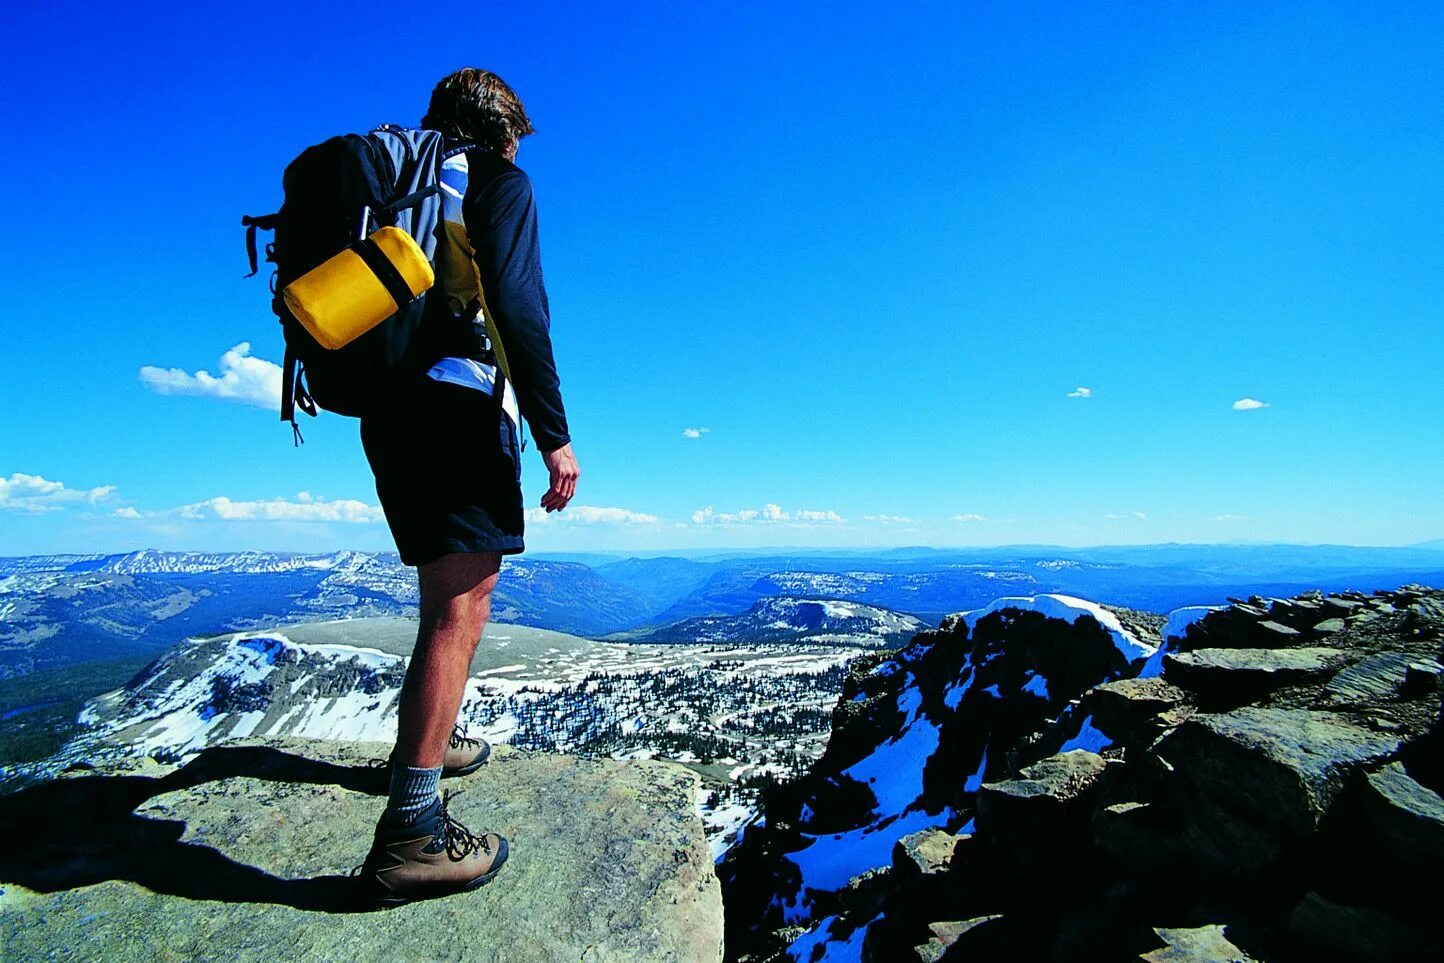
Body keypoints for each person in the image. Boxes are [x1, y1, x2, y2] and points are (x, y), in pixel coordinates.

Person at [355, 67, 580, 905]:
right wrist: (555, 436)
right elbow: (520, 306)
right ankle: (411, 832)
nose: (521, 146)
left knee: (440, 594)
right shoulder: (496, 181)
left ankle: (429, 740)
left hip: (387, 409)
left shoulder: (394, 187)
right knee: (462, 606)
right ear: (504, 128)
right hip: (459, 403)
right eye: (518, 133)